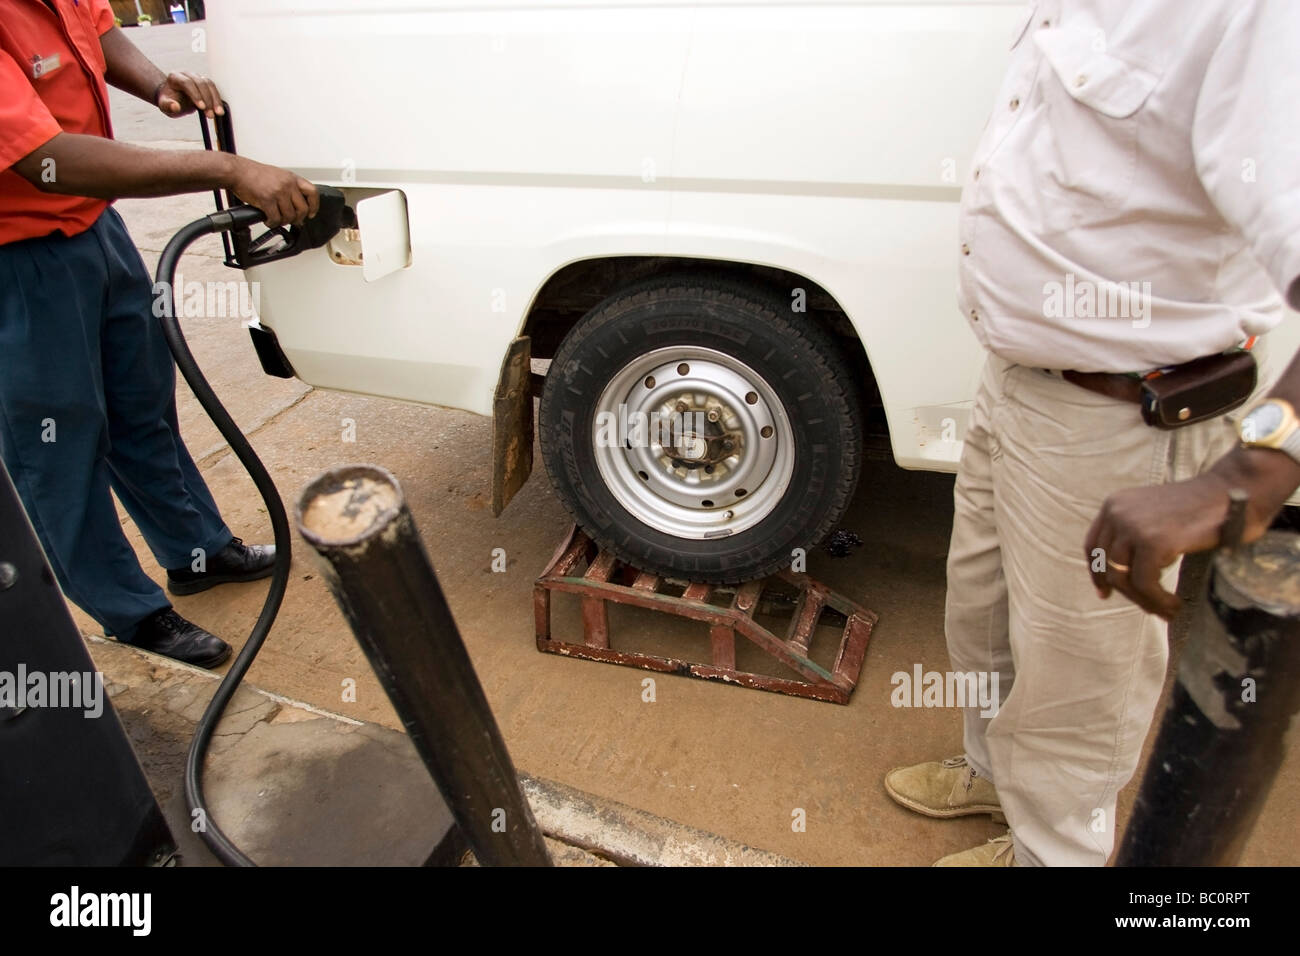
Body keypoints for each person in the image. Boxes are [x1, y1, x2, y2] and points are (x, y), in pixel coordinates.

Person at [885, 0, 1300, 865]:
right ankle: (998, 780)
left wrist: (1247, 477)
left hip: (1120, 416)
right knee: (982, 613)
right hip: (1018, 383)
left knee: (1079, 682)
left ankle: (1052, 855)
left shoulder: (1252, 17)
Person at [1, 1, 318, 667]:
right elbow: (48, 160)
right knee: (60, 440)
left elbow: (96, 25)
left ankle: (195, 553)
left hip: (94, 228)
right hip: (17, 255)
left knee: (142, 402)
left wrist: (156, 83)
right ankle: (130, 612)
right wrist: (228, 170)